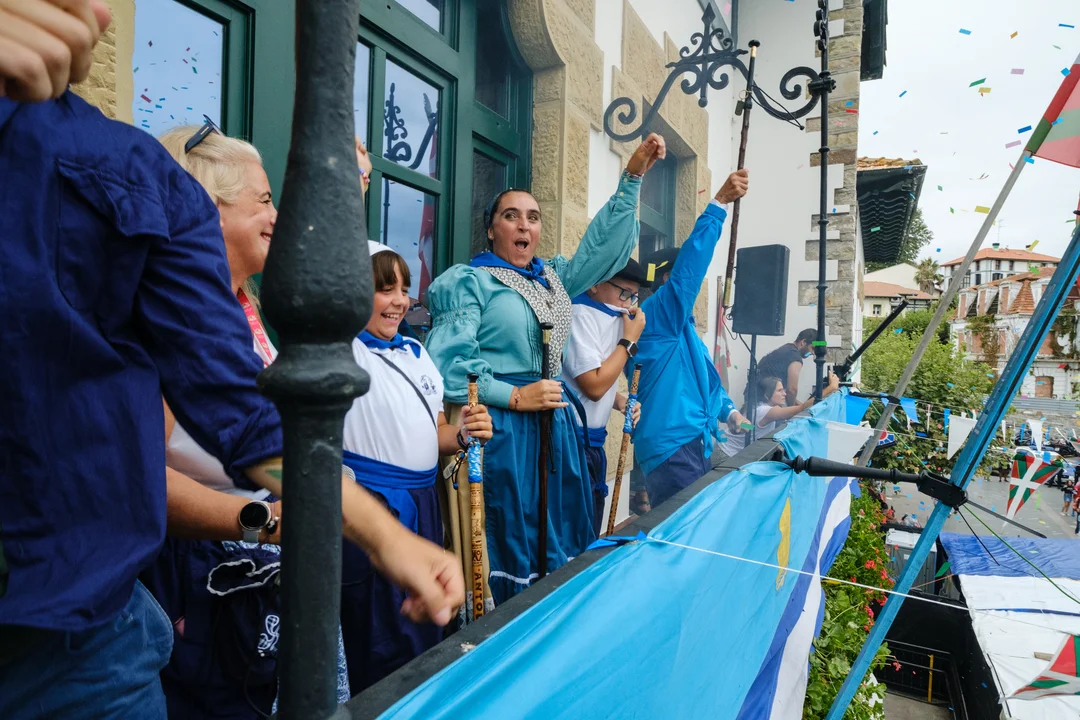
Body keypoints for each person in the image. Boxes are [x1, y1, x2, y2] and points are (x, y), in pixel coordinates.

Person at [0, 57, 461, 720]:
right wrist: (268, 520)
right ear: (205, 206)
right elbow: (152, 466)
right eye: (264, 199)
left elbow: (247, 429)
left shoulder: (225, 295)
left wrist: (376, 534)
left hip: (99, 618)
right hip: (145, 592)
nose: (278, 214)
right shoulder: (119, 197)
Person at [426, 134, 666, 605]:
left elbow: (603, 251)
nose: (524, 225)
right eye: (511, 215)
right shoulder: (470, 281)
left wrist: (633, 177)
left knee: (556, 542)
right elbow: (450, 366)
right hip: (501, 433)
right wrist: (515, 397)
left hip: (554, 433)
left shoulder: (553, 277)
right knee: (509, 541)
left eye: (533, 217)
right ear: (491, 229)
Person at [338, 242, 493, 692]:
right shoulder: (341, 351)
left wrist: (463, 434)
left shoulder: (416, 353)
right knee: (373, 633)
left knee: (423, 626)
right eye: (384, 289)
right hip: (370, 508)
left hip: (424, 505)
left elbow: (436, 431)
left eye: (404, 290)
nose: (399, 301)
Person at [633, 170, 750, 510]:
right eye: (680, 280)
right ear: (667, 280)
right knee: (682, 529)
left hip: (692, 442)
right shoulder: (656, 314)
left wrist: (729, 412)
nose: (693, 287)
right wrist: (719, 204)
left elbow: (705, 383)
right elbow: (690, 269)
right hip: (671, 448)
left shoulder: (681, 328)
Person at [562, 259, 649, 534]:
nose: (628, 303)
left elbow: (600, 378)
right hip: (571, 445)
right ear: (596, 284)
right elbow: (593, 385)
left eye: (634, 296)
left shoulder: (614, 316)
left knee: (592, 527)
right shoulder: (579, 313)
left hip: (593, 444)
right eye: (624, 292)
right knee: (575, 534)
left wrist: (620, 400)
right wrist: (629, 341)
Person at [720, 373, 839, 457]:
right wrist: (830, 388)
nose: (785, 394)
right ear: (767, 395)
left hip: (727, 450)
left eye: (783, 390)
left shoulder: (761, 408)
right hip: (725, 453)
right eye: (780, 391)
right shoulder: (765, 411)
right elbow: (801, 408)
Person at [750, 328, 818, 407]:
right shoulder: (795, 357)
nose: (812, 353)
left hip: (754, 398)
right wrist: (792, 409)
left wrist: (799, 404)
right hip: (764, 402)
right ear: (803, 342)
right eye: (812, 348)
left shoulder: (786, 349)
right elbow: (792, 389)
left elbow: (786, 391)